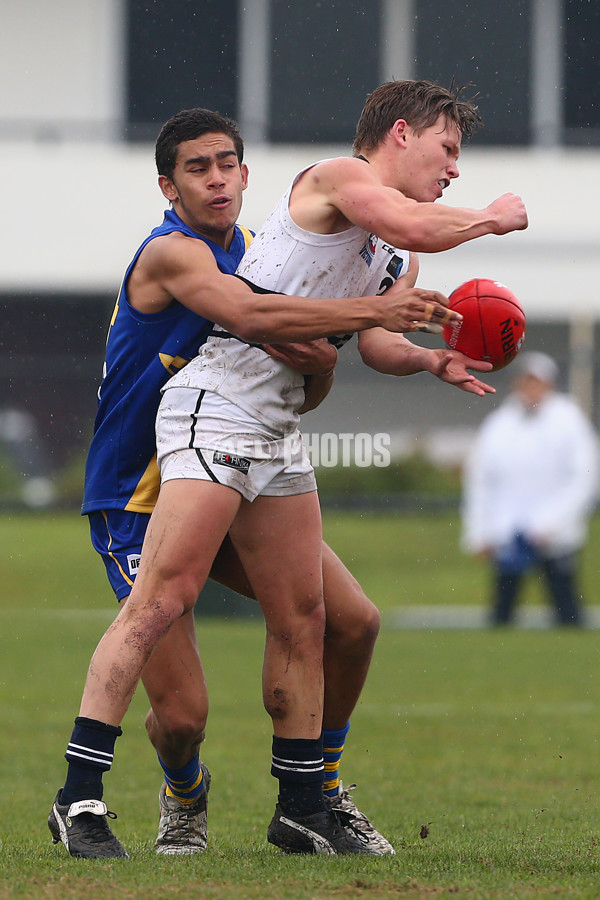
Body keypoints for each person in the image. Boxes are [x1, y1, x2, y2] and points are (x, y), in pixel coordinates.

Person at [50, 80, 527, 858]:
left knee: (320, 618)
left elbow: (368, 343)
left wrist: (430, 357)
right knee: (169, 643)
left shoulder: (357, 249)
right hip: (193, 433)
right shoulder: (336, 178)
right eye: (449, 150)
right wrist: (490, 221)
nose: (455, 171)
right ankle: (83, 798)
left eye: (229, 163)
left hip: (269, 431)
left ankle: (308, 800)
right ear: (401, 134)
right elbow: (261, 315)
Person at [461, 350, 599, 626]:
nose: (530, 388)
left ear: (549, 384)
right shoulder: (500, 424)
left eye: (536, 381)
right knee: (502, 611)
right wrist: (480, 531)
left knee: (565, 607)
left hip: (555, 534)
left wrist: (551, 523)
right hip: (508, 532)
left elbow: (585, 478)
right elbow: (481, 481)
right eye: (526, 381)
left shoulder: (569, 421)